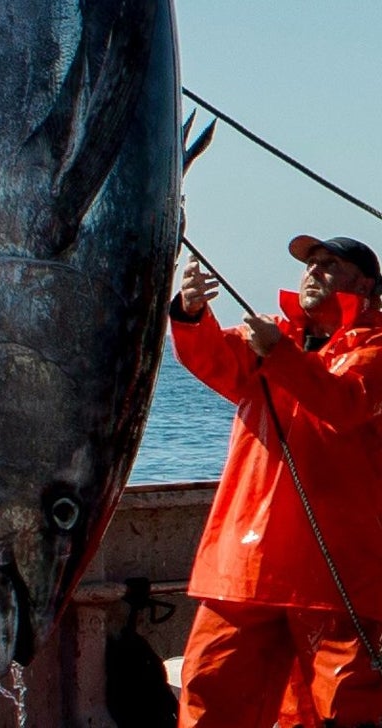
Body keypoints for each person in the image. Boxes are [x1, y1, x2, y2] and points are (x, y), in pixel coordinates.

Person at [171, 234, 382, 728]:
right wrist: (189, 313)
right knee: (210, 698)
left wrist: (280, 353)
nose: (313, 271)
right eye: (310, 263)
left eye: (330, 264)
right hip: (246, 566)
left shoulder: (375, 349)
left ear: (367, 286)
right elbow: (212, 360)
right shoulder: (267, 342)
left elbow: (344, 404)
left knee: (344, 710)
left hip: (339, 574)